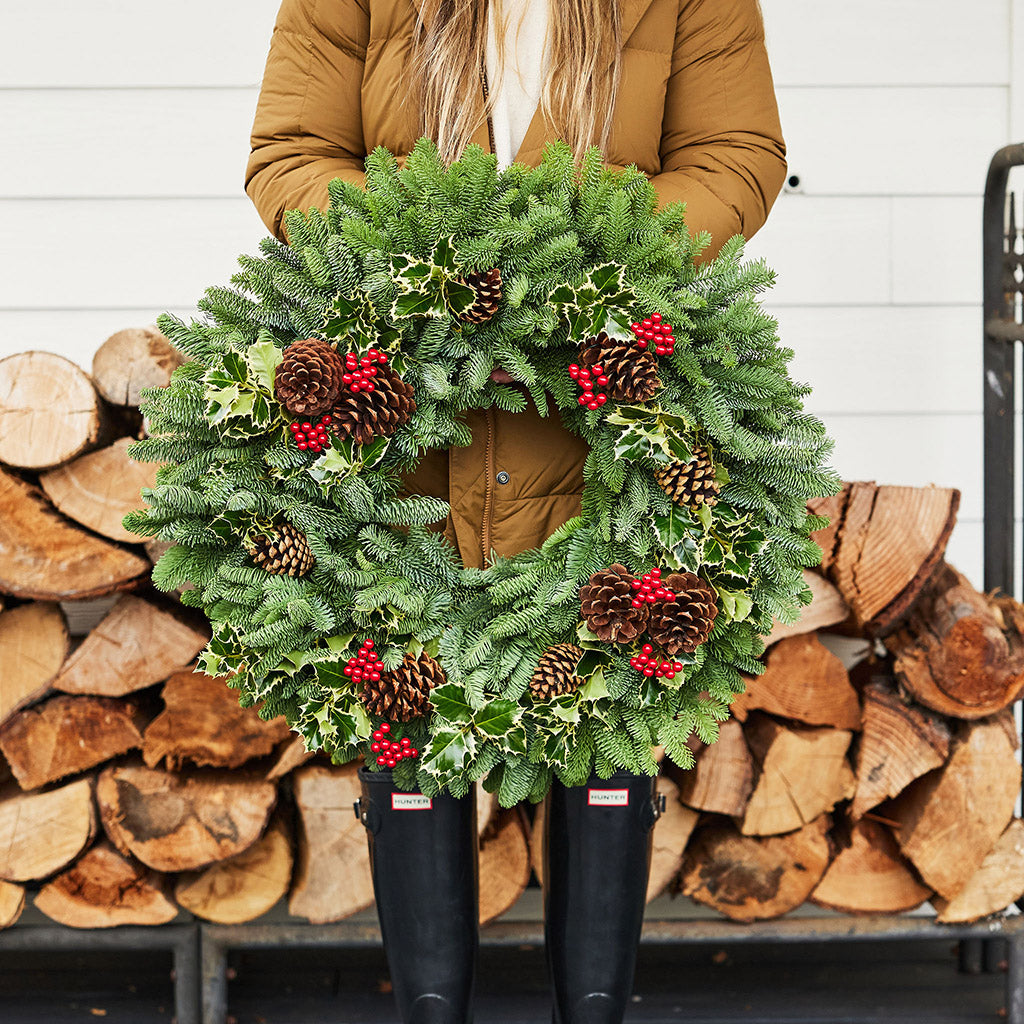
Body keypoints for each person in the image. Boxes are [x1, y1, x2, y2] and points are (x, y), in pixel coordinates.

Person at [245, 2, 785, 1021]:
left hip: (601, 423)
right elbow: (293, 151)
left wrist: (570, 262)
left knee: (605, 715)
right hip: (401, 423)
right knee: (407, 702)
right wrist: (427, 260)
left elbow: (733, 155)